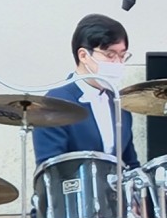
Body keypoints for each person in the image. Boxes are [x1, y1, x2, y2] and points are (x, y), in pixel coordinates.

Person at [32, 13, 139, 169]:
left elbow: (130, 164)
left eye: (122, 56)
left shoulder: (119, 104)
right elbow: (50, 171)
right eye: (110, 55)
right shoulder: (53, 104)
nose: (117, 63)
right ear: (83, 55)